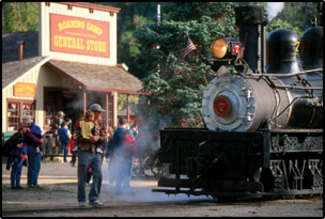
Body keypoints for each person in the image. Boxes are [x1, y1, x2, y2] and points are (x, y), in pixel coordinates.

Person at [76, 103, 107, 207]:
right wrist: (89, 139)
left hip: (96, 153)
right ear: (94, 112)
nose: (100, 114)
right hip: (84, 151)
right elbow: (77, 137)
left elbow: (105, 137)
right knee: (82, 177)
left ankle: (94, 198)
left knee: (99, 175)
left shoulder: (100, 124)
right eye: (99, 112)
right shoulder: (81, 123)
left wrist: (98, 138)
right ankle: (81, 199)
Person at [111, 117, 137, 195]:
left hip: (119, 154)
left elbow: (114, 143)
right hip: (128, 155)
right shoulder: (128, 132)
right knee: (127, 172)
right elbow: (133, 141)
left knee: (119, 171)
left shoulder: (116, 132)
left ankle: (118, 189)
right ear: (126, 124)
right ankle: (126, 189)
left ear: (119, 123)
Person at [22, 115, 45, 188]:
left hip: (33, 147)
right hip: (32, 148)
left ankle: (32, 182)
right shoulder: (28, 129)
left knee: (34, 166)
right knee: (34, 165)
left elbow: (39, 138)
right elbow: (38, 139)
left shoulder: (33, 128)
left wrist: (40, 148)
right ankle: (32, 183)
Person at [4, 123, 29, 189]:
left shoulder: (24, 136)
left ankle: (18, 184)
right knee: (14, 170)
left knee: (19, 170)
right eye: (25, 127)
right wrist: (16, 145)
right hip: (15, 155)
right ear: (21, 128)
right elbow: (9, 143)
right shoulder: (16, 135)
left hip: (20, 154)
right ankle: (13, 185)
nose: (26, 129)